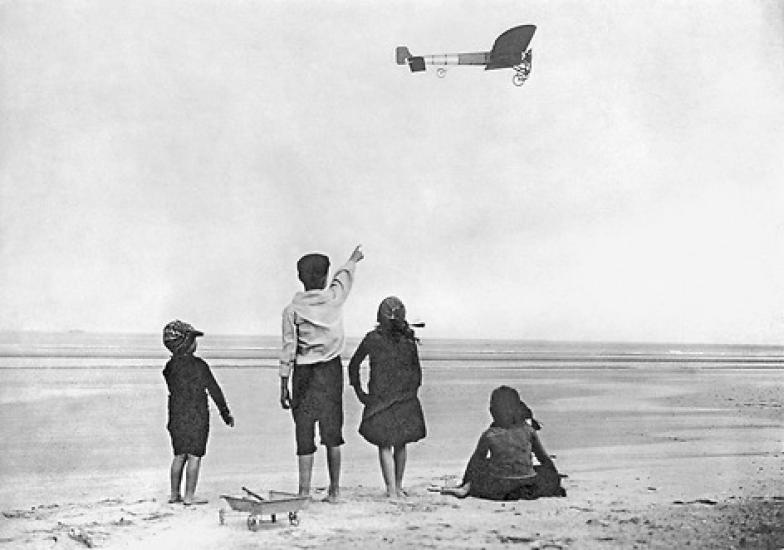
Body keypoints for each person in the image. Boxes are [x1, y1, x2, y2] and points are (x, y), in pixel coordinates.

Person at [279, 245, 364, 502]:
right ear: (325, 277)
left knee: (304, 431)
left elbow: (288, 348)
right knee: (332, 432)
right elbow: (343, 279)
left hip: (304, 374)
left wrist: (284, 384)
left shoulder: (291, 310)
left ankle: (304, 491)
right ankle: (334, 490)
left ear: (299, 277)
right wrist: (352, 259)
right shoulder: (333, 299)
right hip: (330, 372)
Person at [348, 296, 427, 498]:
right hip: (405, 398)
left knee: (385, 444)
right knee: (401, 443)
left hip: (380, 399)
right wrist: (411, 394)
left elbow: (353, 364)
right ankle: (398, 487)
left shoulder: (372, 338)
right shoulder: (409, 340)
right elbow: (417, 373)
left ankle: (391, 490)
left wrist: (359, 392)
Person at [440, 385, 565, 500]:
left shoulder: (490, 434)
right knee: (541, 472)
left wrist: (467, 482)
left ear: (492, 411)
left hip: (500, 486)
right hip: (527, 482)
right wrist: (554, 478)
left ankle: (465, 488)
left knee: (483, 465)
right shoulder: (529, 430)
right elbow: (544, 459)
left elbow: (475, 463)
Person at [162, 320, 234, 505]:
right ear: (187, 343)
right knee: (194, 455)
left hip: (176, 414)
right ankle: (189, 496)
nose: (196, 343)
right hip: (197, 415)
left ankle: (174, 494)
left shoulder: (169, 368)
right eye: (193, 339)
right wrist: (225, 413)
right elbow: (214, 390)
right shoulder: (200, 366)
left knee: (179, 455)